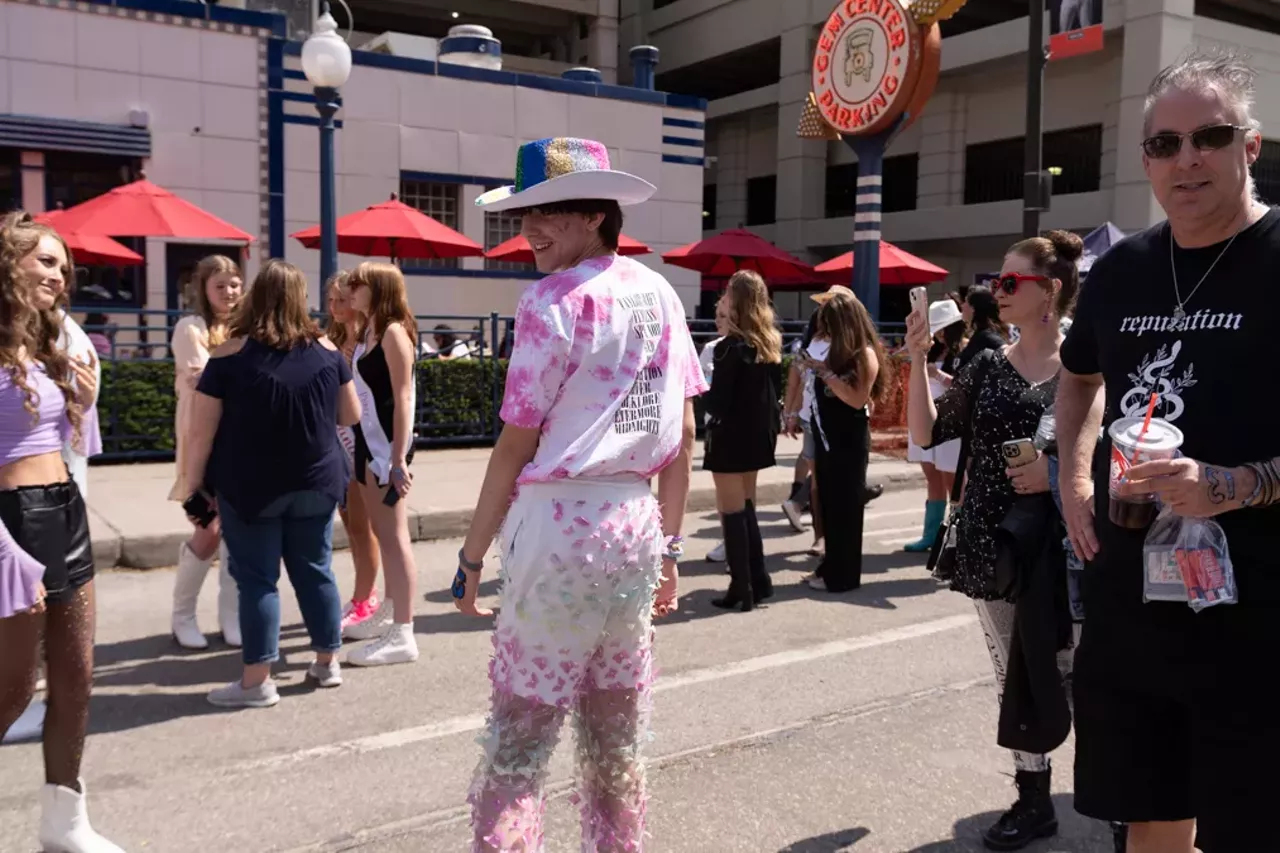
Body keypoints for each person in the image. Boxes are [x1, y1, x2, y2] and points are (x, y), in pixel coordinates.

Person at [1057, 51, 1280, 853]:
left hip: (1258, 615)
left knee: (1249, 824)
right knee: (1149, 809)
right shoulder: (1122, 271)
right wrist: (1073, 478)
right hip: (1136, 602)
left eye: (1209, 136)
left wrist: (1232, 484)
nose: (1186, 158)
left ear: (1249, 147)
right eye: (1165, 143)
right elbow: (1077, 380)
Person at [455, 137, 704, 851]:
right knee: (616, 739)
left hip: (559, 530)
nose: (528, 229)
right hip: (633, 525)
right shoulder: (659, 292)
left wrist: (472, 557)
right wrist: (673, 549)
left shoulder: (549, 301)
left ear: (596, 213)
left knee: (518, 746)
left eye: (547, 213)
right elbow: (681, 433)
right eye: (524, 213)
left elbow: (515, 444)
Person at [908, 230, 1082, 850]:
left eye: (1010, 282)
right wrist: (916, 360)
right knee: (1015, 673)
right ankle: (1034, 798)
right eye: (995, 282)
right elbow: (927, 435)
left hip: (1069, 547)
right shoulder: (984, 364)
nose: (995, 293)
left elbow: (1109, 451)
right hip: (994, 546)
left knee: (1075, 672)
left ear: (1049, 292)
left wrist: (1054, 473)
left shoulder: (1086, 369)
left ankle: (1115, 798)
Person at [180, 259, 357, 708]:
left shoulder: (229, 355)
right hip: (317, 482)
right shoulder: (326, 351)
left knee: (258, 581)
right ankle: (326, 662)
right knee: (316, 570)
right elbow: (349, 415)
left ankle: (257, 681)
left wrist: (193, 484)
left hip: (250, 486)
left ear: (256, 296)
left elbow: (201, 432)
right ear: (302, 300)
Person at [0, 212, 124, 852]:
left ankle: (64, 824)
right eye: (44, 260)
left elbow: (67, 441)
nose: (59, 273)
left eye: (63, 264)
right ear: (8, 259)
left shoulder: (48, 340)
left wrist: (77, 398)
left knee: (76, 675)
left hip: (63, 510)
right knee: (14, 688)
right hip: (9, 523)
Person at [343, 262, 420, 666]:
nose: (351, 289)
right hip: (365, 444)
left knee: (394, 537)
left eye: (359, 284)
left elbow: (404, 397)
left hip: (385, 449)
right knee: (381, 532)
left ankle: (403, 633)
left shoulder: (393, 332)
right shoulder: (367, 330)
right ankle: (390, 613)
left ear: (380, 290)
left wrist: (397, 459)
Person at [169, 255, 243, 650]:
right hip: (201, 438)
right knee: (208, 527)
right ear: (204, 288)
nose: (229, 292)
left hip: (237, 440)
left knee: (234, 530)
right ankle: (182, 616)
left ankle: (231, 617)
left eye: (234, 284)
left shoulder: (247, 326)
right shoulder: (190, 327)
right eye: (220, 285)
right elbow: (205, 378)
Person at [703, 270, 783, 611]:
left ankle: (742, 587)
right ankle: (759, 579)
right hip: (757, 437)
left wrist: (698, 391)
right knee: (747, 508)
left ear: (737, 301)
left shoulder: (727, 349)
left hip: (729, 439)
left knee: (731, 511)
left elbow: (718, 403)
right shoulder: (767, 344)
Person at [802, 288, 888, 593]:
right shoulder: (836, 351)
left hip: (848, 441)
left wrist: (826, 375)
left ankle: (843, 577)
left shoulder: (864, 353)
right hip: (827, 437)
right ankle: (829, 567)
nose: (823, 325)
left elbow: (856, 399)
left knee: (846, 511)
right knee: (829, 504)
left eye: (829, 319)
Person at [325, 271, 385, 636]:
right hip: (336, 441)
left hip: (363, 443)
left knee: (365, 528)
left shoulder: (366, 342)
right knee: (351, 526)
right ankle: (363, 593)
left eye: (342, 299)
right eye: (330, 300)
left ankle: (366, 599)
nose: (335, 307)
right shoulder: (331, 339)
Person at [902, 299, 965, 553]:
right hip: (926, 418)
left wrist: (937, 375)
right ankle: (931, 534)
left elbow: (964, 387)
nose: (938, 334)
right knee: (932, 475)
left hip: (949, 421)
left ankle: (958, 536)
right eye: (935, 329)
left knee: (953, 480)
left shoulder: (964, 350)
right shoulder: (931, 349)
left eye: (942, 329)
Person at [699, 300, 728, 565]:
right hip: (715, 425)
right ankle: (728, 540)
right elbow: (700, 386)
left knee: (740, 492)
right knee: (723, 489)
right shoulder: (711, 349)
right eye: (716, 315)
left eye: (723, 316)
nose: (718, 320)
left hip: (737, 428)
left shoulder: (752, 347)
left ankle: (737, 543)